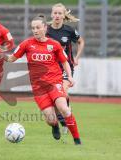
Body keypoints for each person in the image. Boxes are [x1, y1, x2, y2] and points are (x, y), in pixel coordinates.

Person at [0, 14, 81, 145]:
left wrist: (69, 76)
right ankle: (54, 126)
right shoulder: (27, 44)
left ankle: (77, 140)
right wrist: (2, 55)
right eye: (33, 28)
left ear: (45, 28)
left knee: (63, 108)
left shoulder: (54, 45)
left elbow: (65, 62)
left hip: (54, 82)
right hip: (38, 88)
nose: (35, 30)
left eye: (38, 27)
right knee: (50, 119)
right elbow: (12, 58)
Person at [46, 3, 85, 134]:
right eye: (55, 13)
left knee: (62, 92)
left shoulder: (69, 30)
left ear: (63, 15)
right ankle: (63, 119)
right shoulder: (46, 31)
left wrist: (77, 57)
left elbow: (81, 41)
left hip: (65, 67)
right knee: (55, 99)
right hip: (49, 70)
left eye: (59, 13)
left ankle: (65, 116)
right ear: (51, 14)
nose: (57, 15)